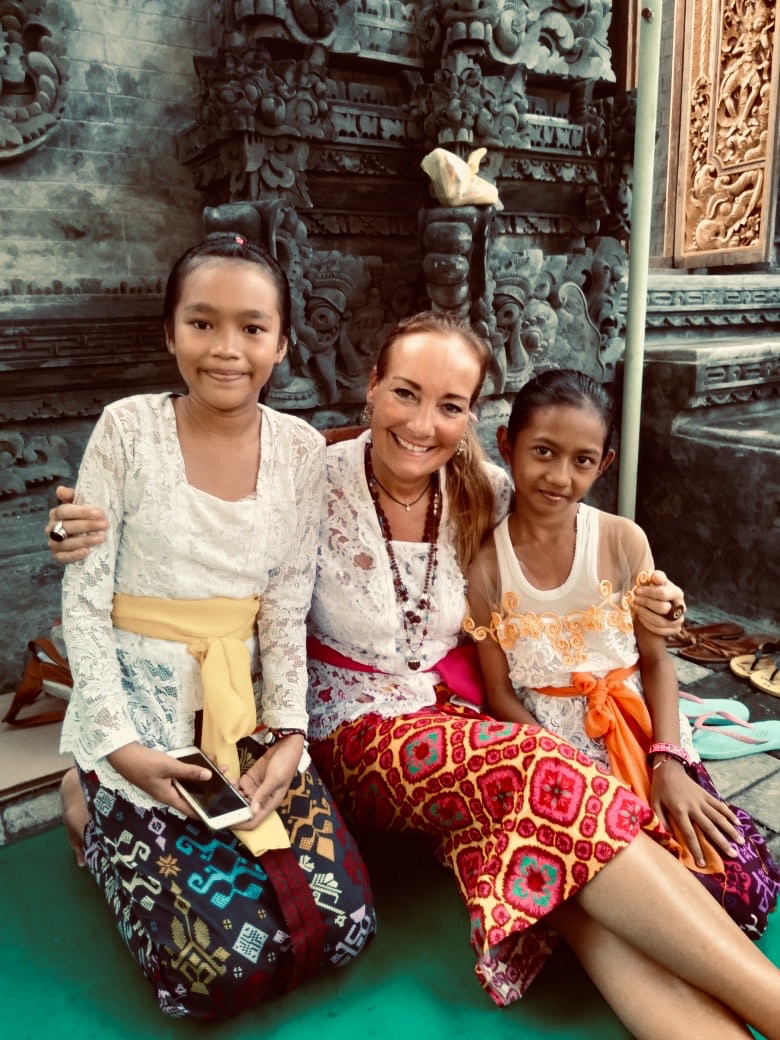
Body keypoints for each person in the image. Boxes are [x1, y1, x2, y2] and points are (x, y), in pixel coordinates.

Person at [48, 312, 780, 1039]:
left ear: (474, 417)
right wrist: (87, 523)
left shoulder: (487, 491)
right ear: (370, 387)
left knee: (563, 879)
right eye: (404, 393)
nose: (423, 424)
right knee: (541, 773)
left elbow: (583, 560)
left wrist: (660, 605)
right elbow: (202, 529)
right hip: (351, 736)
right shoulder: (308, 470)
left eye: (451, 405)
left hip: (458, 723)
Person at [54, 233, 375, 1020]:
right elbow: (85, 601)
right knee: (218, 971)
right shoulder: (127, 431)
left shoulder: (303, 451)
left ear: (283, 343)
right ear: (169, 332)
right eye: (201, 324)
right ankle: (84, 792)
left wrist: (292, 736)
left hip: (245, 714)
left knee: (345, 921)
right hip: (136, 711)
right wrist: (120, 746)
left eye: (252, 328)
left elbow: (288, 604)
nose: (226, 350)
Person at [463, 368, 780, 935]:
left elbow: (657, 662)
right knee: (620, 905)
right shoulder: (487, 566)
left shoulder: (621, 540)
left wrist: (669, 761)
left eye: (582, 460)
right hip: (555, 757)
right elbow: (500, 694)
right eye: (543, 451)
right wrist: (567, 768)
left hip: (644, 738)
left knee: (732, 890)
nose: (560, 476)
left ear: (604, 464)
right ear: (507, 445)